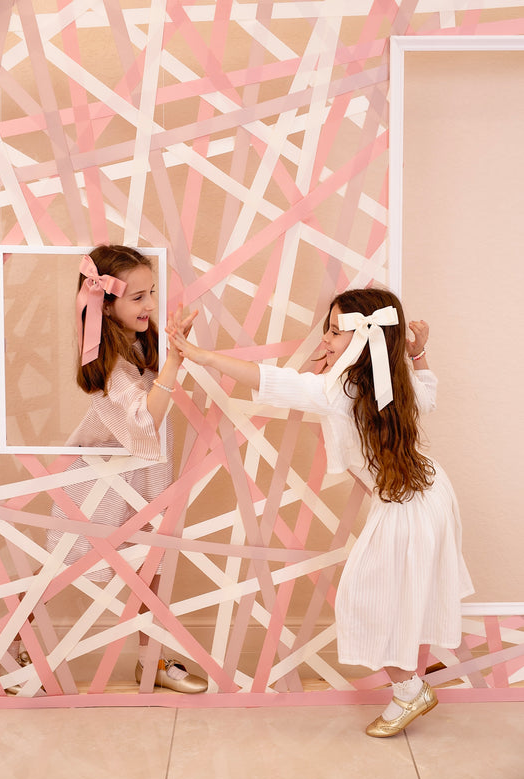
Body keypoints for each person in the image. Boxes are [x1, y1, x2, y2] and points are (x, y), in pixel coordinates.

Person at [168, 286, 474, 734]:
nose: (325, 340)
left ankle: (410, 690)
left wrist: (200, 355)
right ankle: (411, 682)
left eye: (333, 331)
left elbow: (270, 381)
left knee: (366, 596)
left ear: (363, 339)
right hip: (429, 493)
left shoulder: (340, 392)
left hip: (409, 506)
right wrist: (419, 355)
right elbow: (427, 394)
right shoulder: (390, 380)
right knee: (398, 592)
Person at [43, 244, 207, 694]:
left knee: (151, 568)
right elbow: (143, 420)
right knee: (64, 568)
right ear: (105, 305)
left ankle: (151, 661)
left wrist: (173, 347)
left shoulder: (139, 342)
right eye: (138, 297)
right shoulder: (107, 361)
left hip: (144, 473)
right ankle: (13, 645)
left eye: (151, 292)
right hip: (100, 479)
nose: (150, 304)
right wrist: (174, 362)